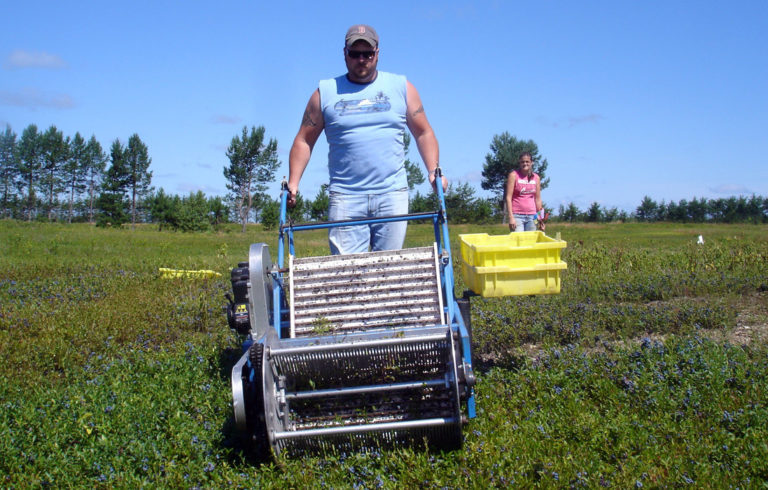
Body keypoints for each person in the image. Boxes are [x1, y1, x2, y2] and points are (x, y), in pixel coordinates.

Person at [287, 24, 447, 255]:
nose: (361, 59)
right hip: (346, 197)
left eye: (367, 53)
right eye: (355, 54)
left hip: (392, 195)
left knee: (387, 270)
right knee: (349, 275)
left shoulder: (402, 87)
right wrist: (293, 183)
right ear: (345, 54)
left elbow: (424, 132)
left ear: (377, 54)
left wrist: (433, 170)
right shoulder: (325, 92)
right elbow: (304, 140)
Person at [505, 152, 544, 232]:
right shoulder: (513, 175)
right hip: (517, 215)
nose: (525, 163)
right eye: (522, 162)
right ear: (519, 163)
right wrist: (511, 217)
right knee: (518, 240)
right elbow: (508, 197)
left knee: (530, 241)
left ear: (531, 163)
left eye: (527, 161)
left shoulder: (536, 178)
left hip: (533, 216)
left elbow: (538, 199)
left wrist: (540, 219)